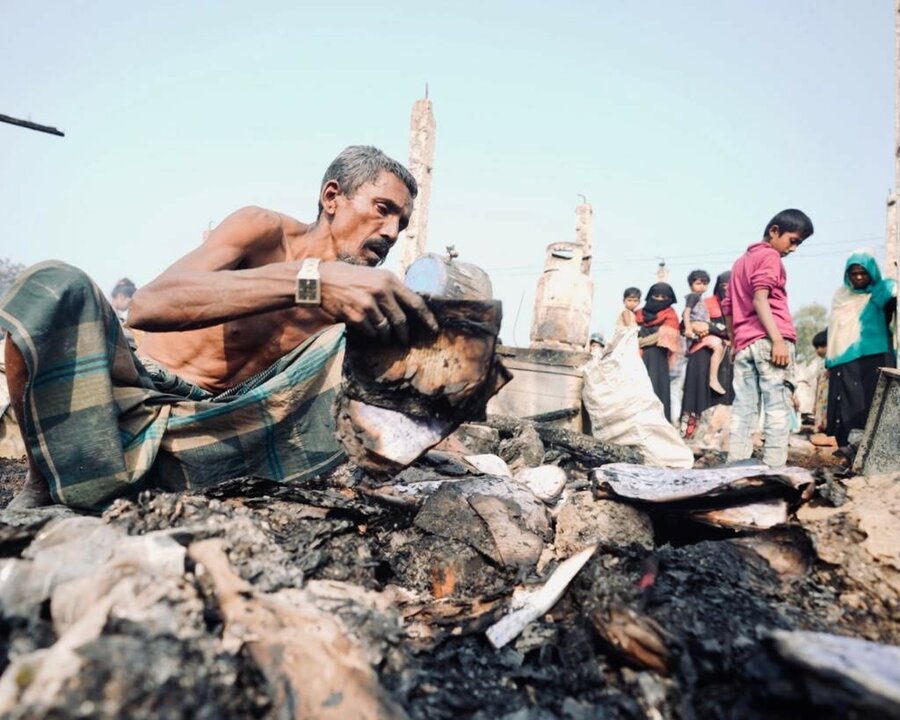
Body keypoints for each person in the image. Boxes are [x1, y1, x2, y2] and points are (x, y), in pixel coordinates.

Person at [0, 145, 438, 510]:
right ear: (331, 197)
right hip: (131, 387)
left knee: (362, 346)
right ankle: (40, 483)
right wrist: (311, 282)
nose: (392, 230)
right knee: (56, 285)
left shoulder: (356, 307)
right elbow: (149, 306)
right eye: (383, 210)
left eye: (402, 222)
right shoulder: (263, 231)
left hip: (212, 428)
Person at [722, 208, 814, 467]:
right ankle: (774, 468)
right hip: (769, 341)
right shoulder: (771, 256)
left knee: (744, 409)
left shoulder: (740, 262)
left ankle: (735, 467)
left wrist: (734, 340)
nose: (793, 248)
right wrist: (777, 341)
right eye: (793, 240)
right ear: (775, 231)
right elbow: (760, 298)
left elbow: (728, 305)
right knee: (777, 406)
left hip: (744, 345)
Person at [825, 251, 897, 447]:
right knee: (847, 406)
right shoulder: (841, 296)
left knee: (871, 404)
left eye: (863, 273)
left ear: (872, 273)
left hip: (875, 358)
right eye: (853, 273)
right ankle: (848, 448)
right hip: (845, 362)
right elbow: (835, 332)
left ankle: (871, 449)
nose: (858, 277)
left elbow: (893, 295)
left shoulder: (882, 291)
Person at [680, 271, 733, 439]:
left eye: (731, 286)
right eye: (723, 286)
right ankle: (693, 432)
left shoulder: (745, 305)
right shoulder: (706, 303)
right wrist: (696, 327)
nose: (727, 289)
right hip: (704, 354)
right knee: (698, 393)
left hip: (731, 359)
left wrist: (711, 328)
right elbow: (685, 325)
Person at [635, 282, 680, 421]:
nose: (659, 300)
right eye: (656, 296)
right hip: (637, 358)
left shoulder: (670, 315)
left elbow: (665, 336)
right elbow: (629, 333)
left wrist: (640, 341)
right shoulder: (638, 314)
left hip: (658, 358)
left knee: (656, 390)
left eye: (663, 297)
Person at [682, 269, 726, 395]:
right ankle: (713, 379)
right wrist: (689, 328)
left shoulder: (701, 299)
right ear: (691, 285)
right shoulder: (693, 296)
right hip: (695, 330)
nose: (702, 286)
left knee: (719, 342)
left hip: (701, 329)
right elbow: (686, 312)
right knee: (718, 345)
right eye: (698, 283)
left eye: (705, 283)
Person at [110, 277, 139, 349]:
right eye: (129, 302)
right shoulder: (109, 316)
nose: (130, 306)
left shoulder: (116, 316)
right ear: (121, 296)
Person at [811, 329, 828, 433]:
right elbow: (817, 384)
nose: (819, 350)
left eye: (822, 346)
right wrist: (814, 404)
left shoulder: (834, 361)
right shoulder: (819, 364)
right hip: (821, 396)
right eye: (816, 347)